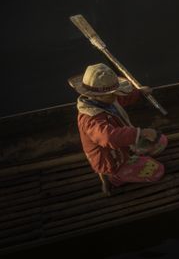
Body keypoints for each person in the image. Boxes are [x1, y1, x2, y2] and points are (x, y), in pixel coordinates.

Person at [68, 63, 168, 194]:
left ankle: (131, 157)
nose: (116, 96)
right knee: (157, 171)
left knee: (161, 141)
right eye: (113, 93)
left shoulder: (106, 100)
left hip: (122, 148)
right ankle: (115, 177)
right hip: (111, 160)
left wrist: (140, 92)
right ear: (100, 96)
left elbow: (122, 99)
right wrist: (140, 133)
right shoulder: (90, 119)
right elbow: (108, 137)